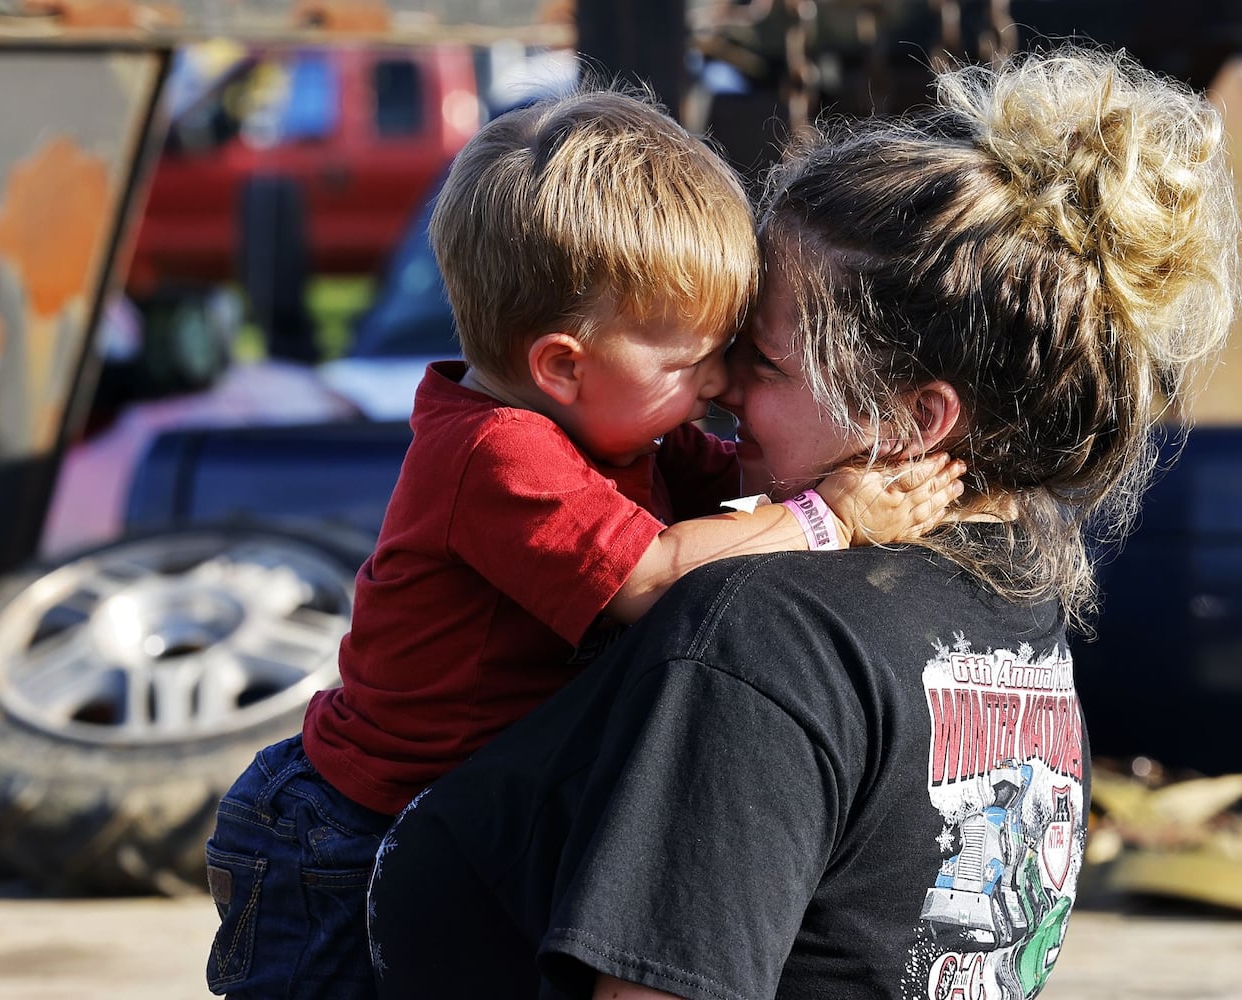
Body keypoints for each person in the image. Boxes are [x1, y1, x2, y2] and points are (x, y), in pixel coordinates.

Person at [366, 47, 1240, 1000]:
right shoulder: (1012, 609)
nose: (724, 385)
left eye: (764, 363)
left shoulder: (762, 634)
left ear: (912, 421)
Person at [204, 90, 963, 998]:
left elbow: (739, 492)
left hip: (460, 823)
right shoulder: (495, 454)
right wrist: (833, 516)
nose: (722, 384)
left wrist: (865, 454)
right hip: (340, 838)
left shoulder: (622, 432)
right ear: (562, 364)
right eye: (695, 363)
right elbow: (650, 577)